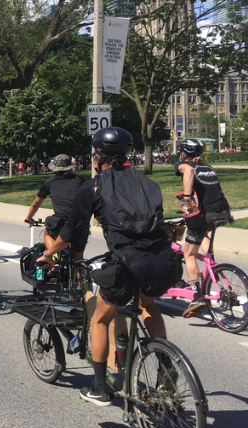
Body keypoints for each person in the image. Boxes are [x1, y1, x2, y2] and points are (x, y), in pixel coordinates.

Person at [37, 127, 181, 405]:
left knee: (100, 319)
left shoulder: (93, 186)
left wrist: (49, 254)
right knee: (148, 305)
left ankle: (100, 387)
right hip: (165, 261)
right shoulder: (148, 184)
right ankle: (166, 366)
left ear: (98, 157)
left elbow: (70, 230)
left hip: (129, 263)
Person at [175, 138, 232, 316]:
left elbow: (189, 170)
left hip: (205, 214)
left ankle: (197, 296)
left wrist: (186, 196)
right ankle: (211, 263)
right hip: (222, 212)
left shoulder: (183, 164)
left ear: (183, 153)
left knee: (189, 254)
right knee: (203, 235)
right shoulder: (208, 168)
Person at [24, 154, 86, 258]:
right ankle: (78, 272)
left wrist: (29, 217)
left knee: (47, 232)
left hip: (62, 222)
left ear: (55, 168)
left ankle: (54, 258)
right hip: (80, 223)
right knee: (78, 259)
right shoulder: (80, 180)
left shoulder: (49, 183)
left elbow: (35, 203)